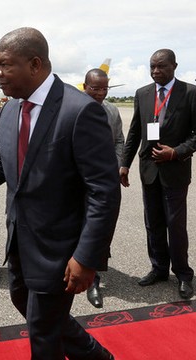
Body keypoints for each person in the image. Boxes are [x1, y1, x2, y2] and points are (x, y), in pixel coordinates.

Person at [0, 27, 120, 359]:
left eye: (4, 64)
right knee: (26, 304)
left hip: (60, 249)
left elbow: (104, 191)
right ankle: (94, 354)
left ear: (34, 64)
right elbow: (0, 163)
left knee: (42, 335)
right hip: (20, 242)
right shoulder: (11, 109)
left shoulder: (80, 111)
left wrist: (87, 257)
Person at [120, 49, 196, 300]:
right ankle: (159, 269)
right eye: (152, 67)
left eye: (161, 67)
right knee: (153, 223)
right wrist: (124, 163)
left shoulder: (191, 93)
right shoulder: (143, 94)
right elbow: (135, 133)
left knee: (175, 225)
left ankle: (183, 274)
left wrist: (176, 152)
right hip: (148, 171)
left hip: (175, 171)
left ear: (174, 66)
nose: (156, 71)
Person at [82, 68, 125, 308]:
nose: (99, 93)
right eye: (95, 88)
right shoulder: (73, 109)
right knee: (82, 225)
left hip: (105, 178)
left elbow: (119, 139)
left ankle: (93, 276)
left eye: (104, 89)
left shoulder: (112, 110)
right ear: (84, 86)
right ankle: (90, 277)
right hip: (79, 180)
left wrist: (118, 165)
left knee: (101, 226)